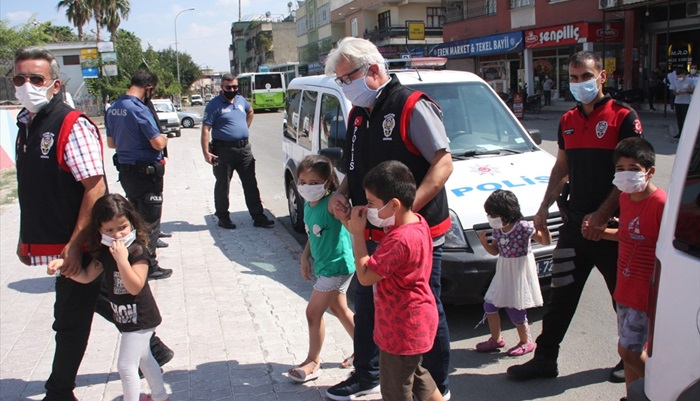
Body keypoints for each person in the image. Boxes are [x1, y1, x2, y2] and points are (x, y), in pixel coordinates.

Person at [12, 47, 172, 401]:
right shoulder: (26, 125)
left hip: (82, 242)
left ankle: (60, 390)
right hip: (65, 243)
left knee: (70, 317)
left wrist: (74, 244)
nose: (26, 86)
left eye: (36, 79)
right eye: (19, 79)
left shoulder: (70, 124)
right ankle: (153, 348)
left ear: (54, 85)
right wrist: (28, 239)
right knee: (101, 299)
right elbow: (34, 190)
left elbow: (95, 188)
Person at [324, 37, 453, 401]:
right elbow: (356, 167)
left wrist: (401, 212)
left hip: (413, 231)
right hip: (376, 226)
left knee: (426, 308)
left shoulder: (411, 105)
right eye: (341, 81)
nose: (345, 87)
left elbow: (442, 163)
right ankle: (368, 374)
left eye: (347, 78)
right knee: (369, 305)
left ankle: (438, 386)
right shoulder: (359, 114)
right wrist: (340, 193)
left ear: (374, 70)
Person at [507, 50, 643, 382]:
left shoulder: (622, 116)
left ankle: (631, 360)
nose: (579, 83)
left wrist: (602, 215)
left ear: (602, 78)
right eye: (573, 78)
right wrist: (542, 208)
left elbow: (632, 173)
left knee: (622, 299)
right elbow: (561, 168)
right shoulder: (567, 120)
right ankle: (544, 360)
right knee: (560, 296)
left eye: (586, 76)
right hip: (575, 226)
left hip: (611, 228)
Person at [47, 194, 171, 401]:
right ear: (100, 231)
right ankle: (160, 396)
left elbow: (135, 286)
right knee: (145, 359)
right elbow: (87, 277)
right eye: (109, 230)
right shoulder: (105, 252)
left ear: (131, 222)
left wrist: (122, 260)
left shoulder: (137, 251)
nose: (117, 235)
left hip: (141, 318)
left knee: (126, 365)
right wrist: (64, 268)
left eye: (122, 227)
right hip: (126, 318)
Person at [347, 160, 444, 401]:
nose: (368, 208)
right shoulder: (418, 224)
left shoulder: (398, 240)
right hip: (416, 323)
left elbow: (366, 275)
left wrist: (358, 235)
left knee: (394, 389)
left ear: (393, 205)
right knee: (417, 375)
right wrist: (350, 224)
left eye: (371, 203)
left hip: (400, 330)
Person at [583, 137, 665, 396]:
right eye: (620, 169)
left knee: (628, 351)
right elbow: (627, 234)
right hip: (624, 290)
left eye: (633, 168)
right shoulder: (627, 199)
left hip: (645, 292)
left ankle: (664, 388)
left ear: (649, 171)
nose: (626, 174)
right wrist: (599, 231)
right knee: (631, 354)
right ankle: (634, 395)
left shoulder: (661, 204)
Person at [287, 155, 356, 383]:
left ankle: (312, 361)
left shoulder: (330, 202)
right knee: (340, 310)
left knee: (313, 312)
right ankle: (366, 350)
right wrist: (305, 256)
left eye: (313, 182)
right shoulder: (308, 204)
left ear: (327, 182)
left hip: (337, 267)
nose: (307, 187)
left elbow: (350, 226)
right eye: (302, 182)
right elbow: (312, 234)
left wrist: (346, 215)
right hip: (325, 266)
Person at [105, 70, 173, 280]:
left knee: (135, 217)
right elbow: (157, 143)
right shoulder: (139, 110)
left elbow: (111, 143)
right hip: (147, 174)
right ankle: (149, 266)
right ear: (149, 88)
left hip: (127, 173)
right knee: (149, 221)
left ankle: (135, 258)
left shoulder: (114, 108)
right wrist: (165, 138)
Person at [475, 190, 551, 357]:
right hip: (503, 270)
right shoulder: (498, 229)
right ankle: (496, 339)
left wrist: (544, 229)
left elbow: (545, 241)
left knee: (515, 307)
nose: (490, 218)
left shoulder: (523, 227)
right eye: (489, 214)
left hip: (519, 272)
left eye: (493, 214)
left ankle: (526, 341)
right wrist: (483, 242)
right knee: (489, 304)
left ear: (507, 213)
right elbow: (495, 251)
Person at [201, 74, 275, 229]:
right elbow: (206, 129)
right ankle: (223, 217)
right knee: (223, 185)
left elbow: (250, 111)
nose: (232, 90)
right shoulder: (214, 105)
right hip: (223, 151)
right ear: (222, 87)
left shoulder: (241, 100)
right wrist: (206, 152)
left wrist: (244, 129)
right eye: (229, 87)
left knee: (251, 184)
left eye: (235, 87)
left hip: (244, 149)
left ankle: (258, 216)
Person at [670, 67, 694, 140]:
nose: (679, 77)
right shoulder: (676, 81)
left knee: (684, 118)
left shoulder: (689, 81)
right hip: (678, 102)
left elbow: (692, 90)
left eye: (680, 76)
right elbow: (673, 90)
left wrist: (685, 91)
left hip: (685, 102)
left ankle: (686, 133)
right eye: (678, 76)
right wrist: (676, 93)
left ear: (684, 74)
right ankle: (680, 132)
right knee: (679, 119)